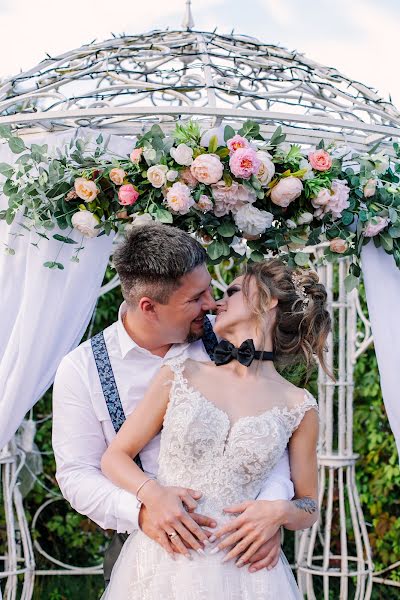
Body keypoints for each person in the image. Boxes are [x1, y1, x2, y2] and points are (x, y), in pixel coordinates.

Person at [52, 224, 295, 587]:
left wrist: (270, 512)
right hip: (146, 553)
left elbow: (272, 429)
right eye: (195, 299)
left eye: (209, 290)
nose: (211, 304)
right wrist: (143, 510)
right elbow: (76, 473)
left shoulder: (231, 336)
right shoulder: (82, 370)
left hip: (241, 553)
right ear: (149, 307)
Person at [100, 257, 331, 599]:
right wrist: (153, 493)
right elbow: (115, 457)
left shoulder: (299, 406)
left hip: (249, 574)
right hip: (165, 561)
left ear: (268, 302)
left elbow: (309, 504)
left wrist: (280, 512)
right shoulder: (180, 373)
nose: (218, 302)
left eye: (233, 291)